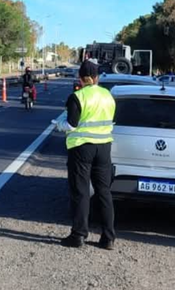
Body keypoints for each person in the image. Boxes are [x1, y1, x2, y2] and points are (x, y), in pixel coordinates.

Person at [56, 60, 116, 250]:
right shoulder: (108, 95)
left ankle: (79, 235)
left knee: (81, 192)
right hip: (104, 148)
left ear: (80, 78)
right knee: (104, 192)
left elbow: (71, 125)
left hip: (82, 148)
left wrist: (58, 125)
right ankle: (108, 238)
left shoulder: (77, 97)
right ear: (97, 77)